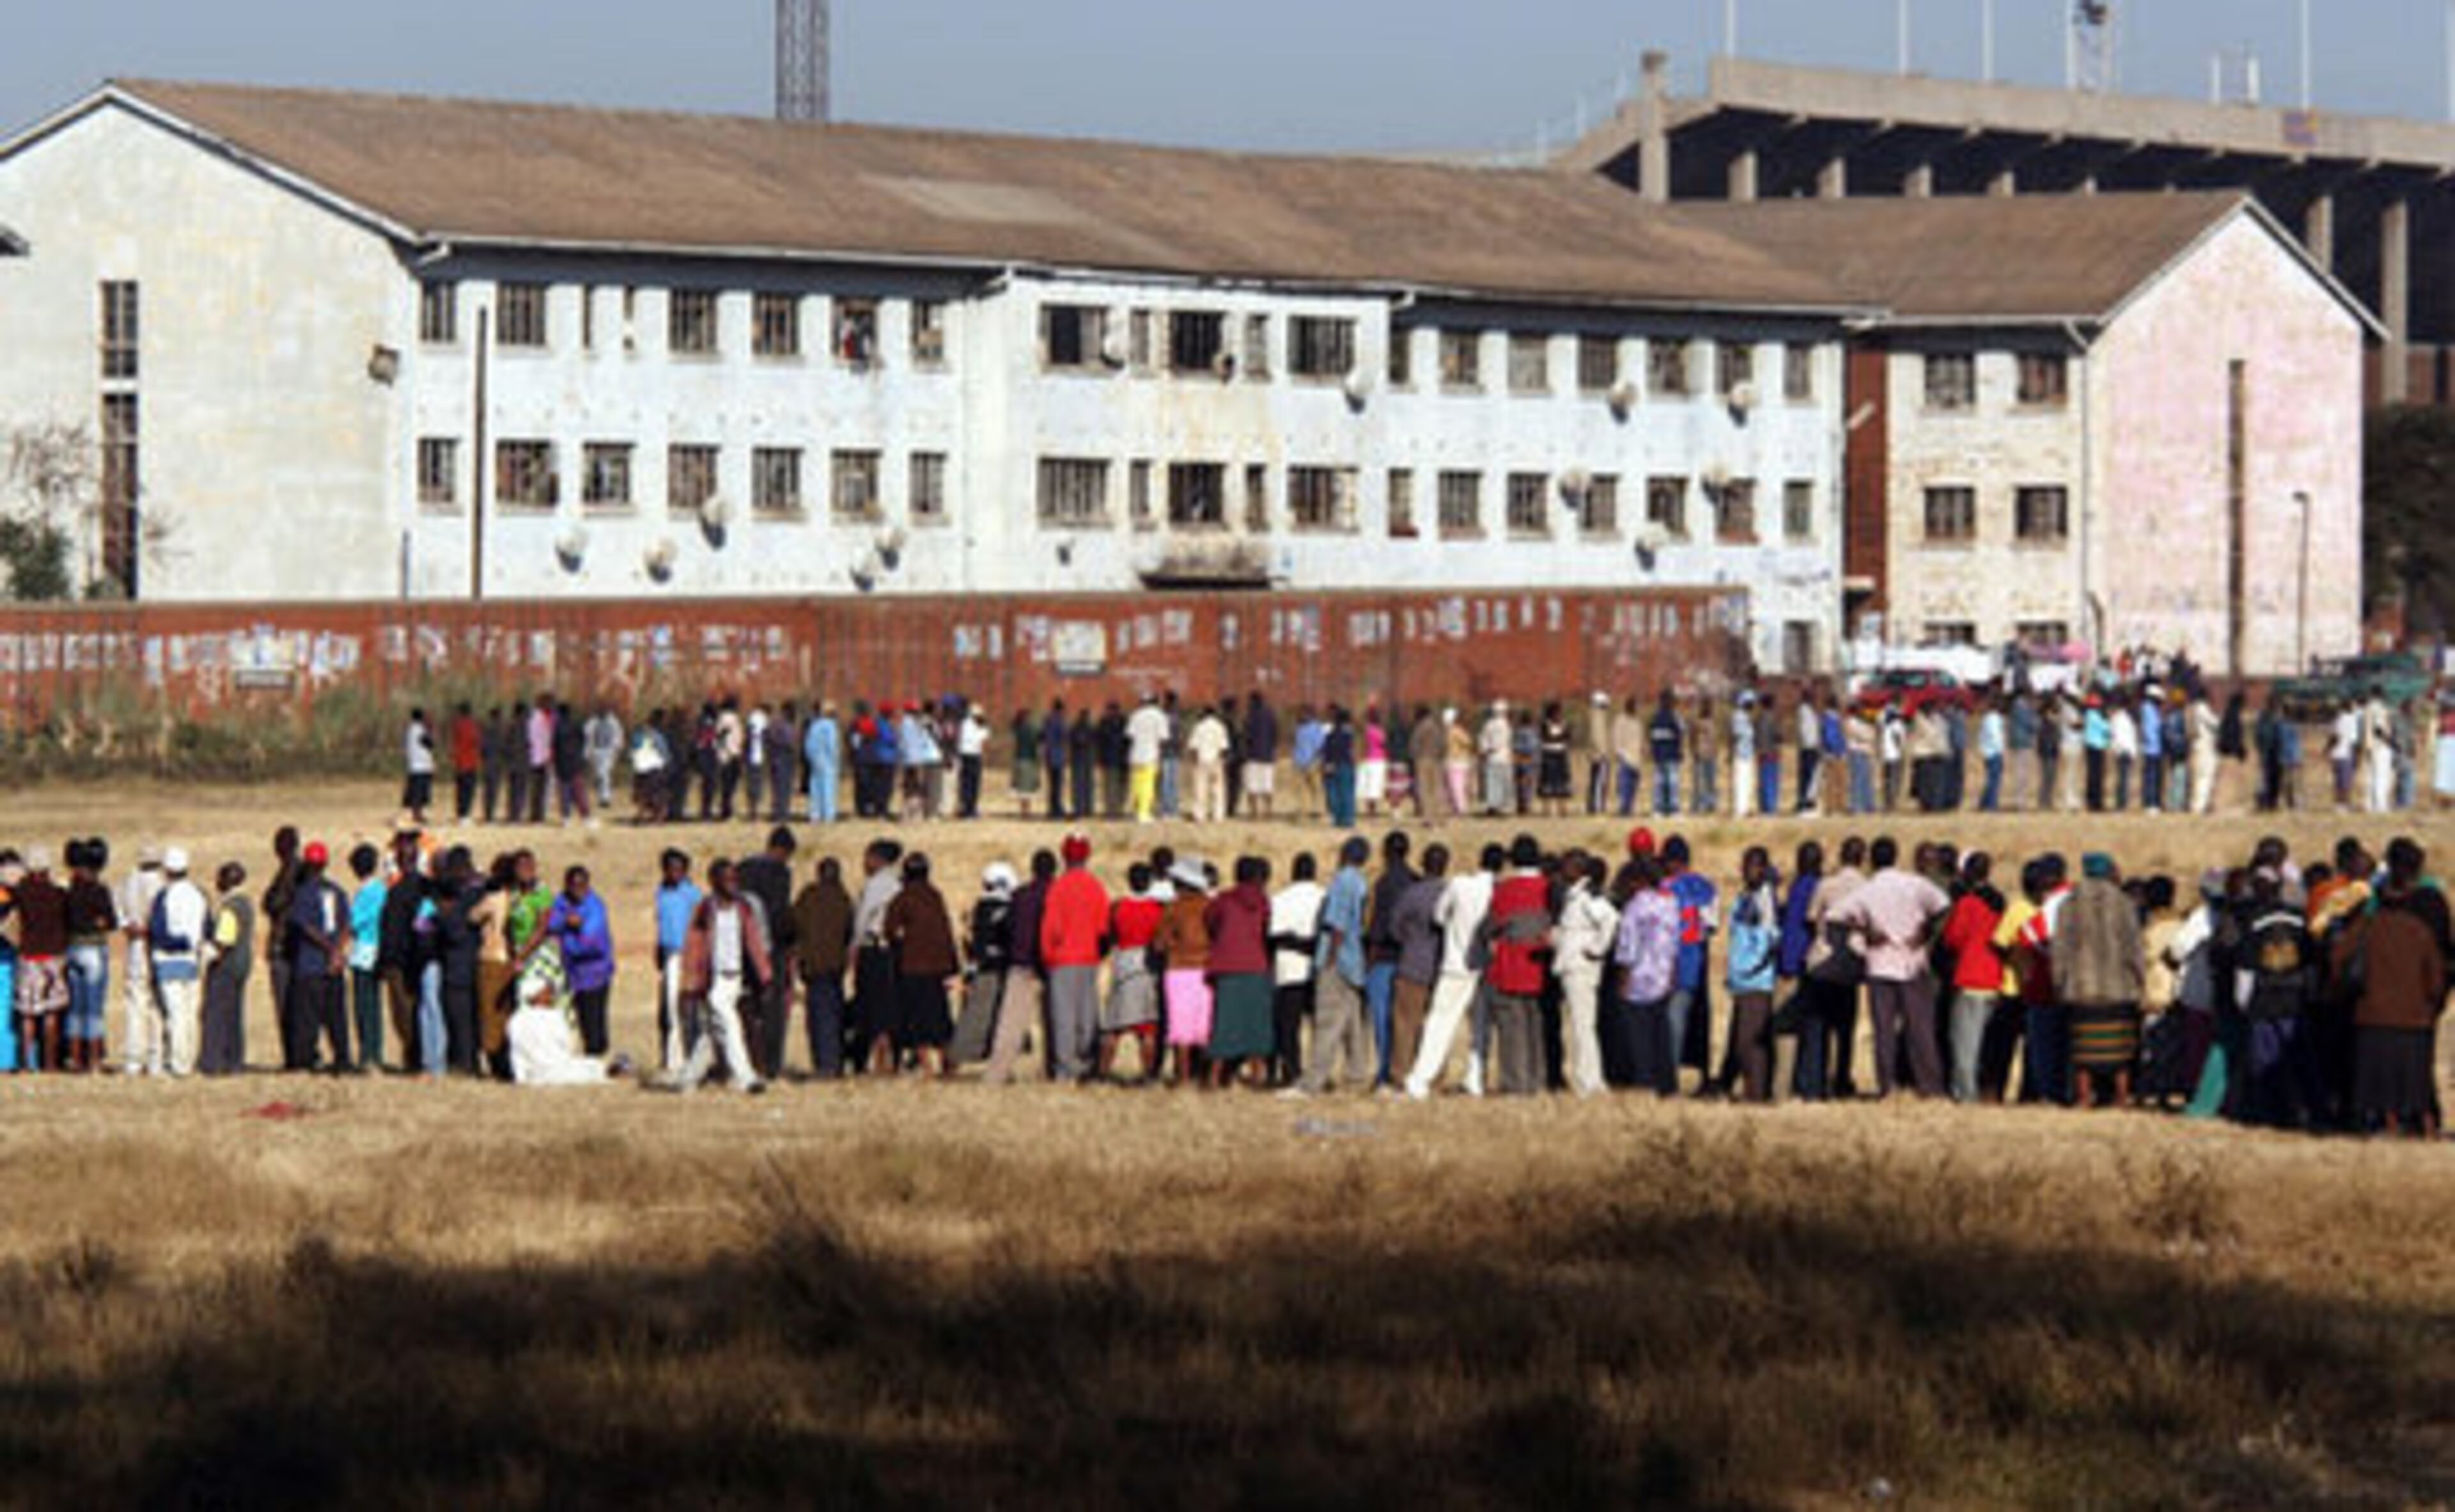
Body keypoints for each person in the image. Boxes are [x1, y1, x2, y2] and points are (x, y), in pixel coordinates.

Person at [2336, 838, 2448, 1136]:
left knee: (2379, 1076)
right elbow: (2438, 969)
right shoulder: (2431, 910)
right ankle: (2424, 1123)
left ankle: (2386, 1122)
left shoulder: (2368, 922)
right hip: (2418, 1012)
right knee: (2416, 1076)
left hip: (2372, 1010)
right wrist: (2434, 1000)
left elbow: (2340, 958)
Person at [1830, 837, 1949, 1100]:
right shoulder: (1914, 884)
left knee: (1884, 1032)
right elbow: (1942, 904)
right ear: (1896, 857)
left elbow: (1834, 915)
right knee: (1921, 1030)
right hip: (1912, 963)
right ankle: (1929, 1086)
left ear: (1871, 861)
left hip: (1880, 965)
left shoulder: (1868, 890)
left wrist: (1865, 931)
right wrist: (1925, 931)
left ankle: (1887, 1086)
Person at [1405, 843, 1499, 1100]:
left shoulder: (1459, 885)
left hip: (1455, 963)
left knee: (1440, 1023)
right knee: (1480, 1027)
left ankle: (1420, 1079)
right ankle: (1475, 1079)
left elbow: (1439, 916)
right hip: (1484, 966)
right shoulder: (1497, 890)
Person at [2054, 853, 2147, 1109]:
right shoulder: (2124, 904)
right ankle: (2121, 1096)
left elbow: (2059, 950)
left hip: (2081, 988)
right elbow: (2134, 947)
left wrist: (2059, 983)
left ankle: (2085, 1096)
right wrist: (2140, 980)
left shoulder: (2069, 905)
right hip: (2119, 988)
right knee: (2120, 1048)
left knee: (2083, 1050)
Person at [672, 858, 769, 1095]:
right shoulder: (705, 910)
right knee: (731, 1025)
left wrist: (765, 974)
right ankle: (747, 1078)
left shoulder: (743, 908)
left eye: (735, 878)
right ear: (714, 882)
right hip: (714, 981)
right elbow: (694, 945)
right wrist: (690, 981)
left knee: (712, 1033)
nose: (732, 883)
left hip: (736, 978)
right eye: (727, 879)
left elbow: (754, 942)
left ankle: (688, 1078)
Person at [1290, 838, 1375, 1096]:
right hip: (1355, 962)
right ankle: (1357, 1076)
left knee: (1327, 1023)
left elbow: (1337, 923)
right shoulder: (1360, 882)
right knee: (1353, 1023)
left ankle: (1312, 1082)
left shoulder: (1342, 881)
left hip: (1338, 959)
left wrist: (1330, 959)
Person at [1483, 836, 1552, 1097]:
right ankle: (1537, 1078)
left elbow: (1490, 926)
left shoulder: (1505, 890)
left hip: (1510, 966)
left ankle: (1515, 1082)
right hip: (1540, 966)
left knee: (1512, 1028)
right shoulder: (1548, 887)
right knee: (1536, 1025)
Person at [1040, 832, 1111, 1084]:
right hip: (1089, 958)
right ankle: (1087, 1063)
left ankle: (1065, 1068)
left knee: (1063, 1016)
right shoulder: (1096, 886)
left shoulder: (1058, 887)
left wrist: (1048, 956)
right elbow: (1104, 928)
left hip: (1062, 960)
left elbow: (1051, 928)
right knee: (1087, 1014)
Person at [879, 853, 958, 1078]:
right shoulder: (935, 896)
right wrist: (952, 964)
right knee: (940, 1017)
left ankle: (927, 1067)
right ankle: (948, 1061)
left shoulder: (903, 898)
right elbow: (945, 931)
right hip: (938, 966)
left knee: (918, 1020)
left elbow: (890, 930)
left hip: (912, 967)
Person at [1938, 852, 2008, 1104]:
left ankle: (1966, 1095)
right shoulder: (2000, 902)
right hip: (1995, 978)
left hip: (1970, 977)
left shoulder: (1967, 904)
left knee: (1965, 1044)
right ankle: (1986, 1090)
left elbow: (1952, 939)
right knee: (1985, 1044)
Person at [1203, 857, 1276, 1088]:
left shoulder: (1224, 901)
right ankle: (1258, 1075)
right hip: (1256, 966)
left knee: (1224, 1025)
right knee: (1256, 1027)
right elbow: (1267, 929)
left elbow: (1210, 922)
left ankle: (1214, 1077)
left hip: (1227, 967)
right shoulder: (1263, 902)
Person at [1612, 853, 1681, 1096]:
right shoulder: (1669, 904)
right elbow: (1674, 945)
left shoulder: (1633, 908)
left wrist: (1623, 982)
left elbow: (1628, 949)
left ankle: (1645, 1083)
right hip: (1662, 978)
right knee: (1661, 1035)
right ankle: (1667, 1085)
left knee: (1640, 1040)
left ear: (1638, 881)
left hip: (1638, 981)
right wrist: (1672, 976)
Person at [735, 827, 799, 1080]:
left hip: (740, 947)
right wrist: (791, 942)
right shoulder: (779, 872)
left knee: (745, 1007)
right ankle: (771, 1063)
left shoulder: (742, 869)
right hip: (771, 948)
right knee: (772, 1008)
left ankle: (747, 1059)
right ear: (783, 851)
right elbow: (779, 913)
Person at [1551, 852, 1617, 1097]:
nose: (1563, 870)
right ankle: (1593, 1078)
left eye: (1568, 865)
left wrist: (1596, 949)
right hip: (1573, 965)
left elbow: (1610, 919)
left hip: (1580, 967)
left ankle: (1586, 1081)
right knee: (1584, 1026)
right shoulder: (1574, 895)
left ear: (1579, 870)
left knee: (1582, 1026)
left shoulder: (1587, 897)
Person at [1386, 844, 1449, 1095]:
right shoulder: (1450, 893)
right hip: (1441, 966)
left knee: (1405, 1024)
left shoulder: (1411, 894)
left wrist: (1410, 941)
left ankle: (1401, 1074)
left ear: (1423, 864)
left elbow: (1394, 927)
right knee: (1437, 1026)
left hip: (1412, 964)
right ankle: (1435, 1076)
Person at [284, 841, 350, 1073]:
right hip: (333, 964)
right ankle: (342, 1057)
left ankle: (307, 1059)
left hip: (311, 963)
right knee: (337, 1015)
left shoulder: (303, 893)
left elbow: (305, 926)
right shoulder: (337, 891)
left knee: (307, 1016)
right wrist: (338, 950)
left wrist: (329, 949)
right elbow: (346, 924)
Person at [143, 849, 209, 1079]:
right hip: (192, 960)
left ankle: (178, 1063)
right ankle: (189, 1059)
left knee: (176, 1015)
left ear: (167, 870)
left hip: (168, 960)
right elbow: (207, 926)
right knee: (190, 1014)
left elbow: (158, 931)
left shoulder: (164, 897)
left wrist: (176, 943)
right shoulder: (198, 895)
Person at [1722, 846, 1781, 1103]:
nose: (1748, 871)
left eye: (1755, 866)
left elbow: (1770, 937)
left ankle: (1756, 1094)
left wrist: (1751, 968)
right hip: (1741, 980)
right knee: (1742, 1041)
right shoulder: (1746, 896)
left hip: (1756, 981)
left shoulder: (1765, 899)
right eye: (1746, 866)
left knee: (1749, 1043)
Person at [788, 856, 853, 1077]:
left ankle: (826, 1065)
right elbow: (849, 930)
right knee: (833, 1015)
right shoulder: (843, 898)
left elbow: (794, 923)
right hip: (835, 967)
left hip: (813, 966)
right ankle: (834, 1062)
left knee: (819, 1018)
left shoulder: (809, 896)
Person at [1155, 857, 1214, 1087]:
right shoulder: (1210, 906)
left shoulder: (1174, 908)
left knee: (1180, 1030)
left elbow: (1159, 943)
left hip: (1179, 970)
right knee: (1204, 1027)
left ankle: (1182, 1077)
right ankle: (1205, 1077)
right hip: (1206, 968)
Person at [1267, 852, 1325, 1087]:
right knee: (1320, 1026)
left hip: (1288, 971)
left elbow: (1274, 937)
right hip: (1318, 970)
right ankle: (1318, 1072)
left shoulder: (1280, 899)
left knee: (1288, 1027)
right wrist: (1310, 946)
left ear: (1293, 872)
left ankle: (1291, 1071)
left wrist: (1293, 942)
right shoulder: (1325, 896)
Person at [547, 866, 616, 1057]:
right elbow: (550, 923)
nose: (578, 889)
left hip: (595, 974)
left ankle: (597, 1056)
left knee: (594, 1020)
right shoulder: (562, 902)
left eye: (582, 885)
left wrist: (569, 936)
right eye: (574, 885)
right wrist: (566, 923)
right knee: (578, 1020)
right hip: (572, 974)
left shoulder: (595, 907)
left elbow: (591, 943)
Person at [63, 840, 117, 1073]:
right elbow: (111, 921)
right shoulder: (100, 891)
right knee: (94, 1008)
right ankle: (94, 1058)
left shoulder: (69, 892)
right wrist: (99, 922)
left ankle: (75, 1057)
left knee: (76, 1008)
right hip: (94, 948)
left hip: (72, 948)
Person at [199, 861, 253, 1076]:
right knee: (234, 1014)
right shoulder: (246, 903)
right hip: (242, 964)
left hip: (226, 966)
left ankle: (214, 1061)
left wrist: (207, 955)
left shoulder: (230, 907)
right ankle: (234, 1060)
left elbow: (224, 939)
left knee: (216, 1014)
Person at [114, 843, 163, 1076]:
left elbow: (118, 912)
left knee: (135, 1004)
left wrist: (129, 927)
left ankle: (133, 1060)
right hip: (158, 946)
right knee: (157, 1005)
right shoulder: (162, 884)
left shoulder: (127, 882)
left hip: (135, 944)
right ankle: (156, 1059)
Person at [652, 850, 703, 1073]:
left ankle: (694, 1055)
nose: (674, 873)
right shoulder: (661, 892)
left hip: (689, 954)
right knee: (671, 1007)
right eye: (670, 868)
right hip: (670, 955)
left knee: (690, 1007)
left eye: (679, 869)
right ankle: (674, 1059)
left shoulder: (692, 894)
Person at [345, 843, 389, 1073]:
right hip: (379, 951)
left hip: (364, 953)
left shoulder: (365, 894)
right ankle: (376, 1052)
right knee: (375, 1007)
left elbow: (353, 923)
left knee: (364, 1008)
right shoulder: (382, 890)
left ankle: (367, 1054)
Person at [806, 701, 843, 824]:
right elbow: (832, 745)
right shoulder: (830, 726)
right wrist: (835, 760)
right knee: (828, 788)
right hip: (827, 762)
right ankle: (828, 815)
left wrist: (812, 759)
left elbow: (808, 745)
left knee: (815, 788)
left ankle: (815, 814)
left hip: (815, 761)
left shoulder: (814, 725)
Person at [401, 707, 437, 824]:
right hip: (421, 765)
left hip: (414, 764)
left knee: (415, 791)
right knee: (419, 793)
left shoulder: (410, 730)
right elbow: (430, 744)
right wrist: (431, 730)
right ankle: (417, 815)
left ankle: (416, 814)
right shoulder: (419, 730)